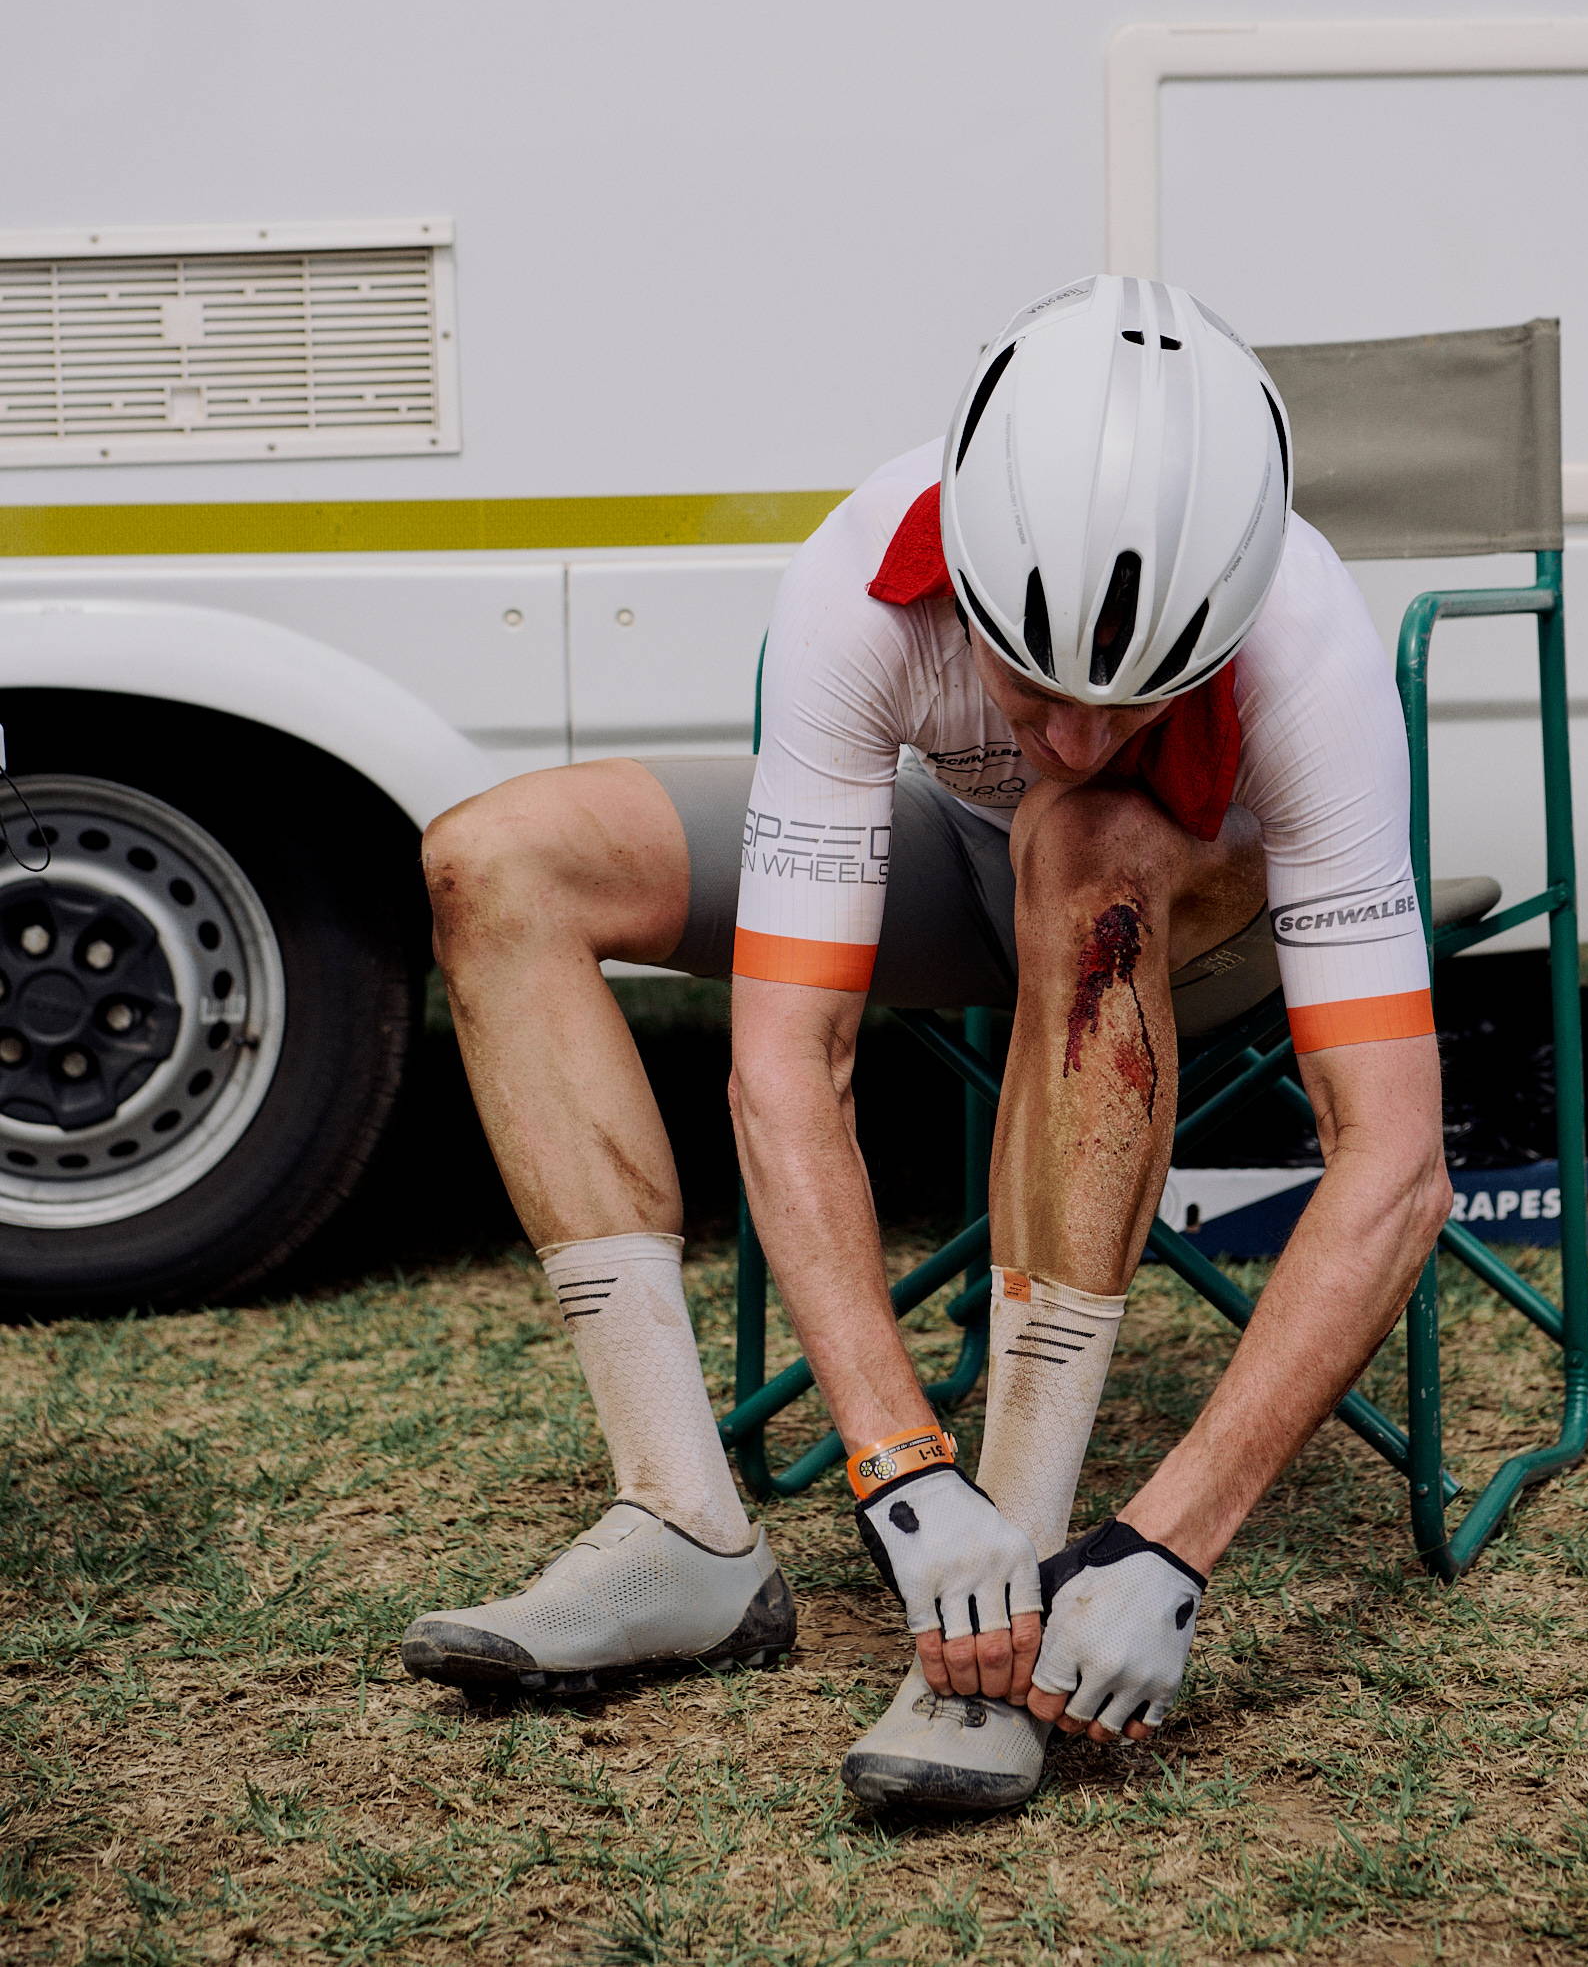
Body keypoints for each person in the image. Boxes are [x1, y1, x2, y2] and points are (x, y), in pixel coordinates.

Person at [400, 274, 1450, 1813]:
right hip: (961, 874)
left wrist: (1169, 1543)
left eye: (1135, 698)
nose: (1081, 729)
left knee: (1084, 832)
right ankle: (686, 1527)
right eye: (1038, 684)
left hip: (1185, 917)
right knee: (497, 859)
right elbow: (787, 1067)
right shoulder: (864, 565)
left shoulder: (1310, 642)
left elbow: (1399, 1163)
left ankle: (1003, 1593)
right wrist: (894, 1463)